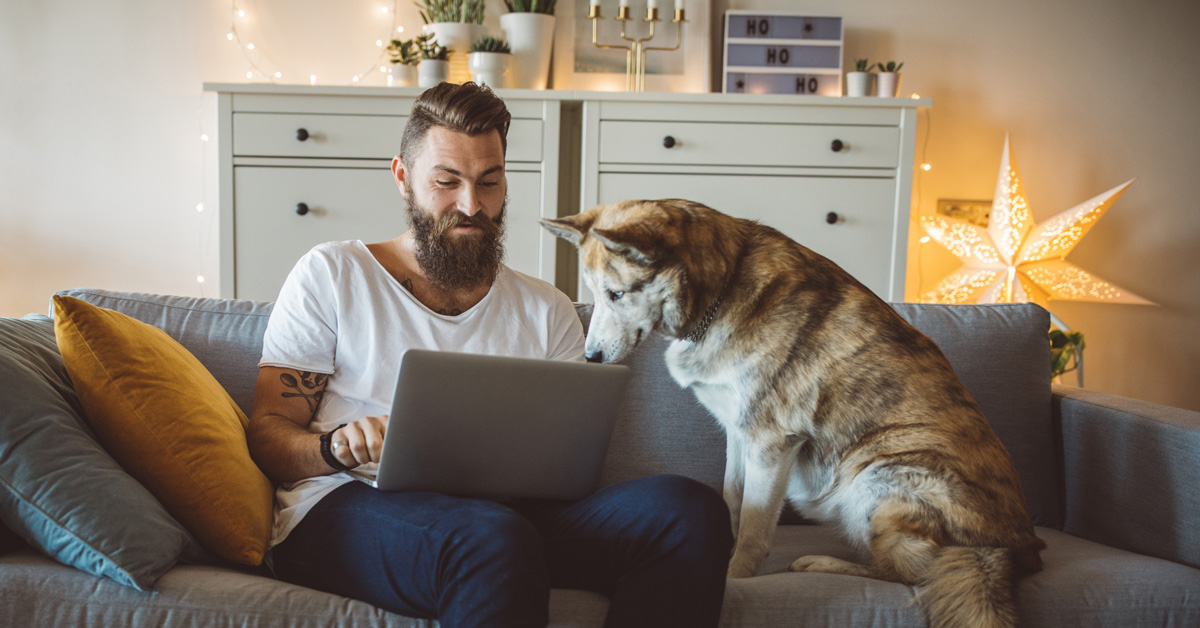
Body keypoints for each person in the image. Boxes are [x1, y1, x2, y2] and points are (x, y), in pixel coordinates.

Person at [246, 82, 733, 628]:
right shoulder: (333, 273)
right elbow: (268, 432)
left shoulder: (547, 309)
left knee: (686, 512)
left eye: (489, 182)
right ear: (403, 178)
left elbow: (568, 460)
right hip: (348, 505)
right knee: (490, 537)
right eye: (446, 182)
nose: (471, 205)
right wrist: (335, 448)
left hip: (507, 520)